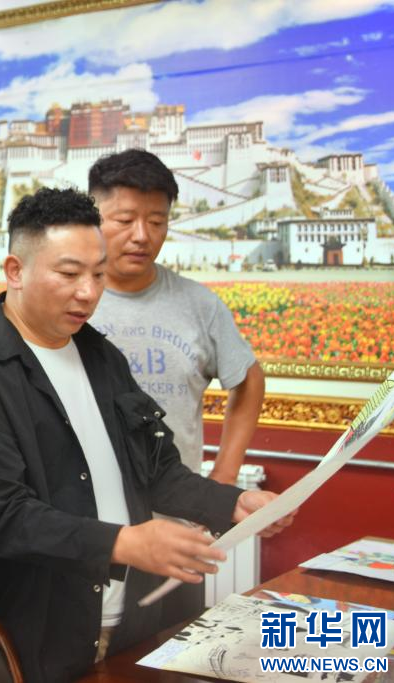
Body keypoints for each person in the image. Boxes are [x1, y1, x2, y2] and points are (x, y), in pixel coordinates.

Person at [0, 187, 294, 682]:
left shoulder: (100, 356)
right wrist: (122, 543)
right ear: (15, 271)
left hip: (134, 619)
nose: (88, 292)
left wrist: (232, 503)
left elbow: (156, 470)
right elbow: (7, 518)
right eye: (69, 274)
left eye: (98, 274)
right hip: (45, 634)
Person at [87, 149, 265, 625]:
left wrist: (223, 479)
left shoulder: (198, 305)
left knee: (171, 644)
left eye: (157, 222)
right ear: (92, 215)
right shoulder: (74, 300)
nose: (142, 236)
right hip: (91, 533)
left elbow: (248, 379)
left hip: (179, 528)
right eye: (124, 219)